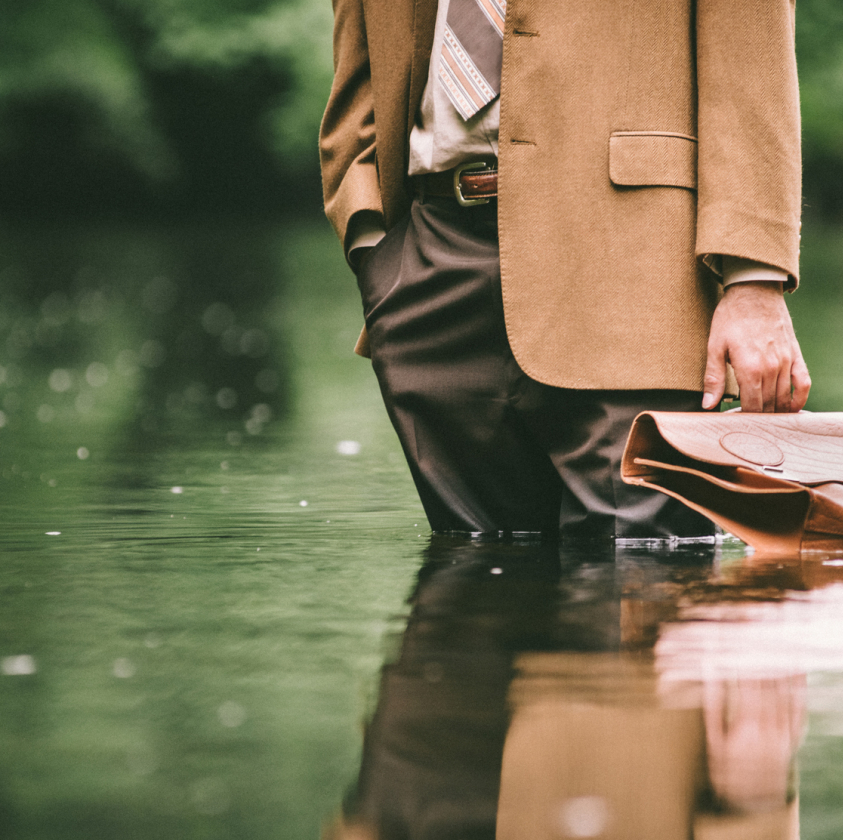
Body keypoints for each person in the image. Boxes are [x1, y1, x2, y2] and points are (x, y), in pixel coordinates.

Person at [319, 0, 810, 540]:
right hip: (431, 265)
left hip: (638, 260)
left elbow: (750, 45)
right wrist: (372, 247)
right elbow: (360, 66)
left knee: (643, 584)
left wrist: (754, 277)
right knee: (473, 592)